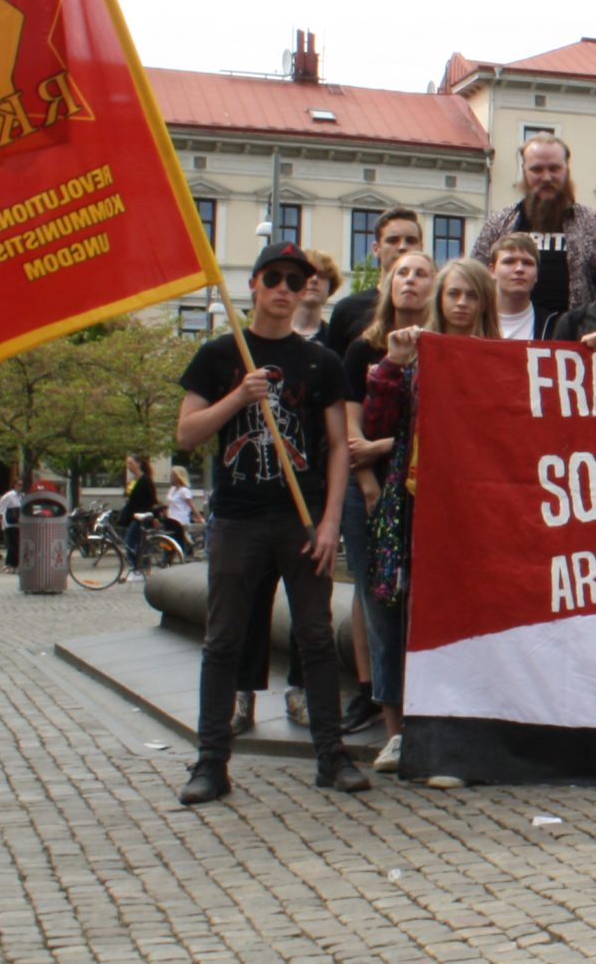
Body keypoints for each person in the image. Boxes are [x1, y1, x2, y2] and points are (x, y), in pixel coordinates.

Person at [173, 241, 366, 805]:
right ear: (254, 285)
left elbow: (337, 444)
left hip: (300, 520)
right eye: (274, 278)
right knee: (223, 641)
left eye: (295, 281)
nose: (285, 289)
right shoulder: (218, 354)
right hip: (238, 520)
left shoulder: (320, 362)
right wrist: (239, 396)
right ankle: (211, 762)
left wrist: (329, 521)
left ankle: (331, 756)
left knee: (316, 639)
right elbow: (187, 433)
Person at [340, 249, 437, 765]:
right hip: (372, 494)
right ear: (387, 283)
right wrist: (368, 476)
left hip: (424, 490)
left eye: (422, 273)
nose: (411, 280)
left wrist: (385, 448)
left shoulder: (443, 348)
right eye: (402, 272)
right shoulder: (364, 349)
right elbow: (354, 435)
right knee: (380, 607)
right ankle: (393, 726)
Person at [474, 133, 596, 315]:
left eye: (554, 169)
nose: (546, 177)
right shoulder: (499, 223)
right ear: (524, 170)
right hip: (511, 329)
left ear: (567, 170)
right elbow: (476, 278)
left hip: (576, 330)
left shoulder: (595, 224)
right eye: (537, 170)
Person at [323, 208, 425, 358]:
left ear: (421, 248)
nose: (402, 247)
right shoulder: (347, 310)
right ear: (376, 249)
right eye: (393, 240)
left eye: (411, 240)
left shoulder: (436, 310)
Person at [488, 234, 554, 340]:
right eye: (509, 262)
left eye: (528, 263)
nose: (519, 269)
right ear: (492, 270)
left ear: (537, 274)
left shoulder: (553, 325)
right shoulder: (473, 319)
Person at [292, 249, 344, 345]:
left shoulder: (337, 342)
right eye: (307, 274)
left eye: (322, 275)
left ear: (330, 287)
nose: (314, 279)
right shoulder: (273, 335)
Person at [121, 455, 158, 579]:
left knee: (132, 542)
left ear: (138, 464)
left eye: (131, 463)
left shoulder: (145, 480)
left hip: (142, 516)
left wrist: (152, 515)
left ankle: (138, 569)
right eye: (128, 464)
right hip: (133, 516)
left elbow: (152, 499)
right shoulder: (133, 480)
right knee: (138, 543)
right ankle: (139, 569)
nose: (129, 466)